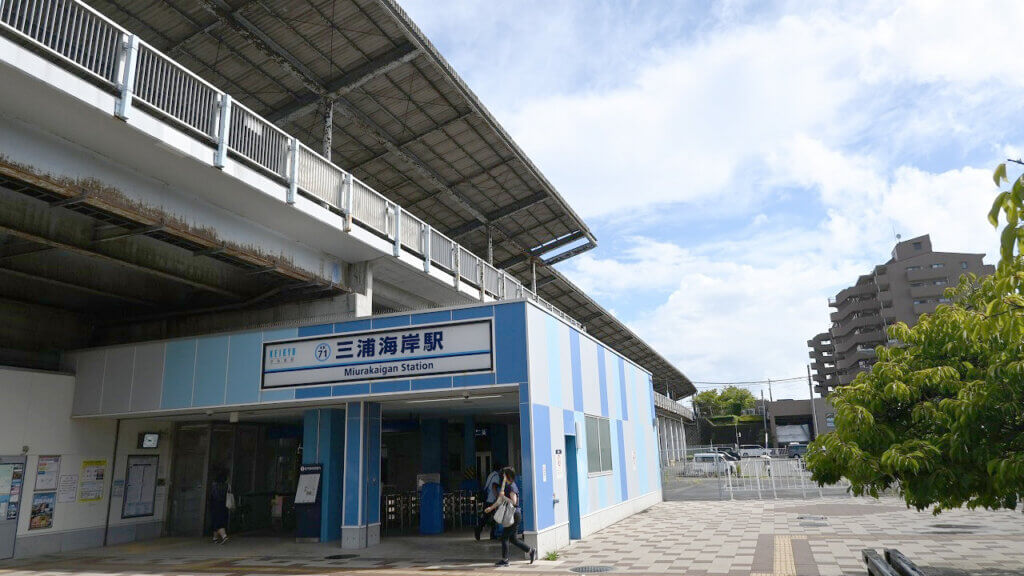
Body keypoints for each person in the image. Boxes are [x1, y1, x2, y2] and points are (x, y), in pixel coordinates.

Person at [484, 467, 535, 566]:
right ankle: (530, 550)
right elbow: (500, 500)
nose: (501, 476)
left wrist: (504, 497)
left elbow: (514, 502)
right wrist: (490, 508)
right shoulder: (506, 485)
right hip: (513, 515)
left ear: (507, 476)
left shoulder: (512, 487)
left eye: (503, 475)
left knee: (504, 537)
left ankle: (505, 560)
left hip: (514, 514)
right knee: (513, 539)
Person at [474, 462, 502, 540]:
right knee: (493, 517)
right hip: (492, 500)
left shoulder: (491, 474)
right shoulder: (496, 476)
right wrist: (497, 498)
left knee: (488, 517)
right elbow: (494, 487)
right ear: (499, 469)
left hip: (488, 499)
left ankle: (489, 533)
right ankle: (482, 530)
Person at [208, 471, 230, 544]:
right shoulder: (227, 485)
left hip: (215, 505)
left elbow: (213, 495)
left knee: (217, 522)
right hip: (224, 505)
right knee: (219, 521)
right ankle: (215, 538)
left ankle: (224, 536)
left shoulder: (214, 485)